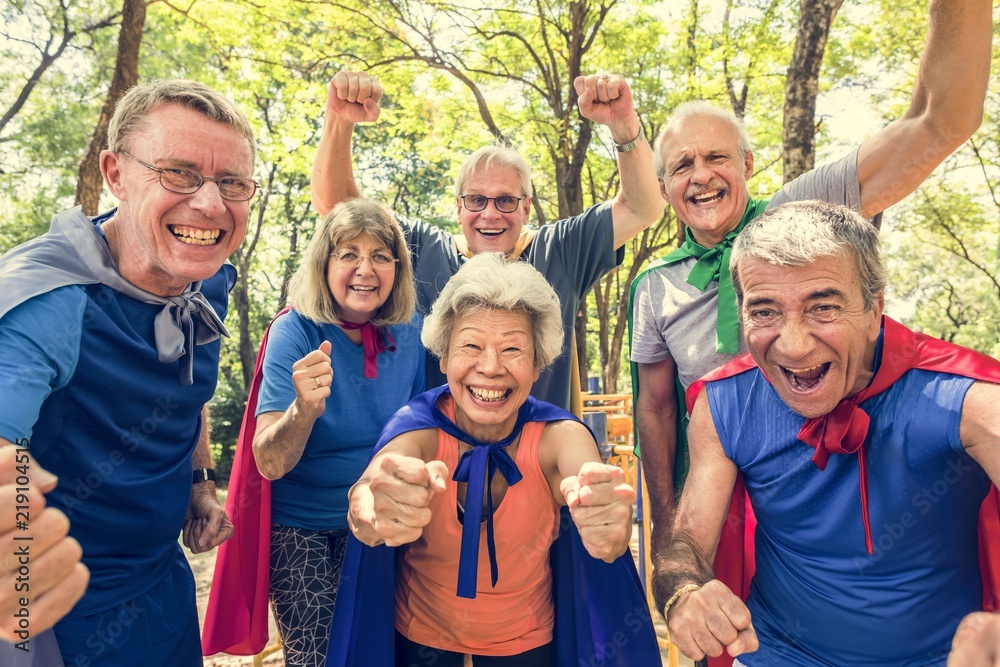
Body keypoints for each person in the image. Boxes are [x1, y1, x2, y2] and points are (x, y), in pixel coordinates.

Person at [628, 0, 993, 624]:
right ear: (663, 188)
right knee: (722, 628)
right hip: (722, 485)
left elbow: (936, 124)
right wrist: (668, 541)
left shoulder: (800, 214)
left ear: (747, 165)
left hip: (832, 476)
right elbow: (657, 410)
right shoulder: (654, 285)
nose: (701, 175)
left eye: (717, 157)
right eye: (682, 165)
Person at [659, 201, 1000, 666]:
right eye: (764, 312)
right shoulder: (723, 406)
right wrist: (683, 594)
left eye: (823, 307)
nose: (794, 344)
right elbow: (687, 545)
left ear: (874, 309)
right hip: (775, 653)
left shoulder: (969, 401)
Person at [0, 79, 256, 665]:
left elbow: (188, 395)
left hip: (164, 585)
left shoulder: (208, 276)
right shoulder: (45, 300)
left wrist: (199, 486)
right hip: (61, 616)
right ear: (115, 174)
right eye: (179, 173)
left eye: (232, 183)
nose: (211, 205)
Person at [326, 253, 660, 666]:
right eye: (470, 345)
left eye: (513, 349)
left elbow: (588, 483)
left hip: (527, 643)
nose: (490, 367)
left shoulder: (559, 436)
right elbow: (372, 490)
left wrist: (605, 519)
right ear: (444, 357)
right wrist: (370, 509)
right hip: (419, 640)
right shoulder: (417, 425)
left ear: (537, 364)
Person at [311, 70, 664, 412]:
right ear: (459, 208)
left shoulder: (559, 250)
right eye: (476, 200)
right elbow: (340, 210)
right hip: (441, 458)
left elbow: (641, 207)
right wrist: (339, 122)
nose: (490, 214)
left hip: (541, 457)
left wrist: (623, 125)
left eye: (506, 200)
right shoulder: (425, 249)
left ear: (526, 207)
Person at [201, 198, 425, 665]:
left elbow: (424, 434)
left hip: (382, 519)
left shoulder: (414, 332)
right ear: (324, 264)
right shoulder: (294, 330)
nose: (365, 268)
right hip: (301, 526)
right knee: (318, 657)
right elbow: (269, 461)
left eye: (380, 256)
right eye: (348, 254)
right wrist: (304, 409)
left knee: (387, 652)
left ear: (397, 268)